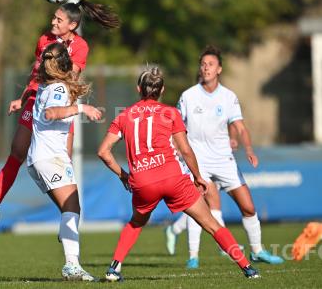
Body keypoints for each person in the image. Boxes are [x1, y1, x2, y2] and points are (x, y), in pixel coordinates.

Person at [97, 67, 260, 282]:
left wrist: (124, 176)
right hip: (172, 178)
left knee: (136, 223)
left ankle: (113, 269)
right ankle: (248, 268)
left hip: (143, 182)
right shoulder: (169, 113)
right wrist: (198, 176)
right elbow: (185, 149)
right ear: (162, 90)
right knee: (211, 223)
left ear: (138, 89)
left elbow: (103, 152)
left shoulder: (124, 116)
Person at [0, 1, 120, 224]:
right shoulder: (44, 40)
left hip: (60, 106)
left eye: (59, 19)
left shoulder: (80, 46)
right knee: (17, 151)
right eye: (53, 17)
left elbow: (70, 77)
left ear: (72, 25)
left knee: (63, 161)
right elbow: (35, 73)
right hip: (35, 101)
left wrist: (59, 58)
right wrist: (22, 98)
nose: (53, 22)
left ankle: (69, 214)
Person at [172, 45, 283, 269]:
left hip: (224, 160)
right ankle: (193, 256)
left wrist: (249, 149)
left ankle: (258, 251)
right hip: (198, 160)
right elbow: (176, 128)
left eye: (210, 64)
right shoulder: (188, 96)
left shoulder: (228, 96)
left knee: (248, 207)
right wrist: (177, 153)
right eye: (203, 64)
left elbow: (240, 128)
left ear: (219, 69)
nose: (206, 68)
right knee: (198, 205)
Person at [26, 42, 102, 280]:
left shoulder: (46, 86)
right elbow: (51, 113)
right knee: (72, 208)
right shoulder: (58, 88)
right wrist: (83, 108)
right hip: (49, 158)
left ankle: (69, 244)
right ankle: (72, 265)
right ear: (64, 64)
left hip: (41, 157)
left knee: (69, 211)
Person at [164, 123, 240, 256]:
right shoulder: (183, 108)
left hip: (208, 161)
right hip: (194, 165)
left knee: (205, 206)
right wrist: (178, 149)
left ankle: (175, 230)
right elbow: (176, 139)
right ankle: (201, 252)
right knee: (201, 205)